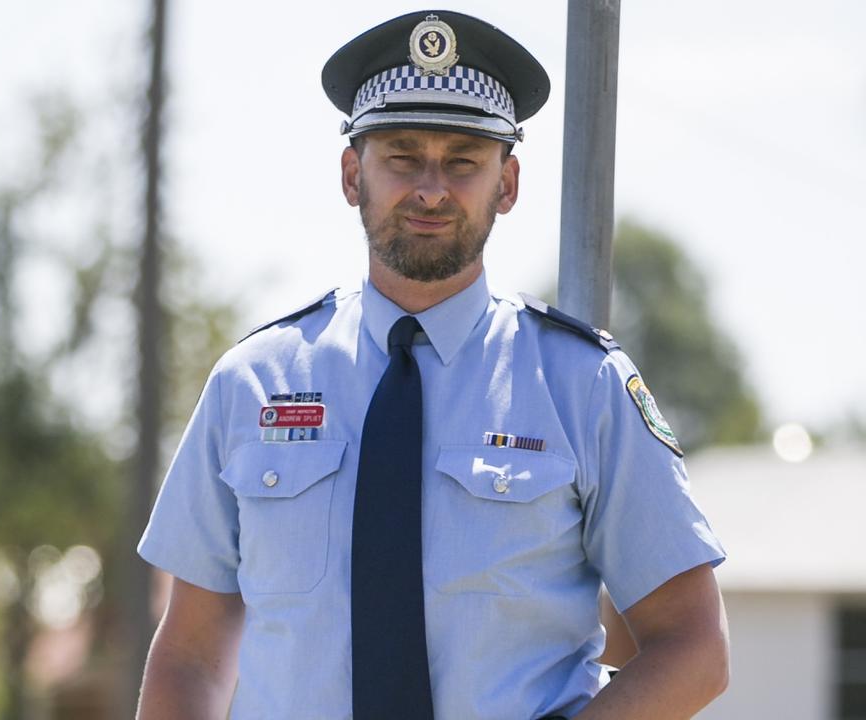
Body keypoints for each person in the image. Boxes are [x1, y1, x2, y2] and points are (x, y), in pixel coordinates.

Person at [136, 10, 729, 719]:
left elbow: (693, 646)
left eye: (463, 161)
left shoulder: (582, 386)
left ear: (507, 184)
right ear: (353, 174)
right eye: (402, 155)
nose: (430, 189)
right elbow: (190, 655)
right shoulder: (253, 384)